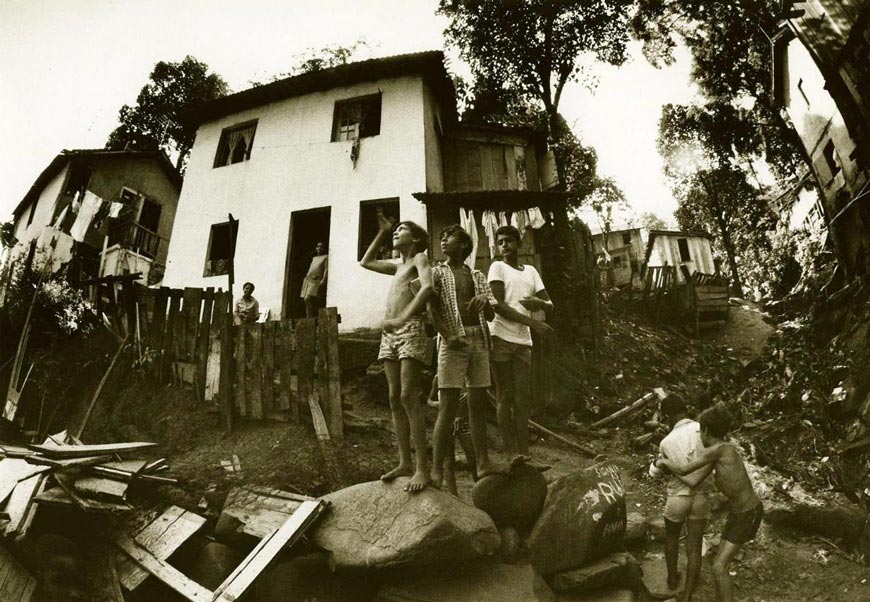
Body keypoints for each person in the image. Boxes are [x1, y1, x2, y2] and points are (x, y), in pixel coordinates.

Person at [429, 225, 509, 494]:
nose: (442, 241)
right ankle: (436, 470)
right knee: (448, 406)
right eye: (441, 238)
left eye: (447, 237)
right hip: (452, 341)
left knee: (477, 404)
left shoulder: (476, 275)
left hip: (479, 339)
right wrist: (447, 336)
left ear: (463, 245)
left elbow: (489, 316)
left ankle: (483, 463)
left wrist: (482, 301)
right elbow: (429, 309)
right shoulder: (437, 273)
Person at [360, 209, 434, 493]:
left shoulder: (419, 258)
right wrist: (381, 231)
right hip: (389, 334)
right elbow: (365, 261)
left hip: (410, 328)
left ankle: (422, 469)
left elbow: (427, 288)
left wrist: (403, 318)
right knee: (393, 397)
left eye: (400, 229)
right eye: (395, 230)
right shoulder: (397, 267)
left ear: (414, 238)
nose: (396, 233)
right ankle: (404, 462)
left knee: (408, 395)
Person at [656, 406, 764, 602]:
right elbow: (695, 480)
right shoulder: (721, 452)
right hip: (740, 513)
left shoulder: (718, 450)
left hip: (747, 514)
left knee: (719, 567)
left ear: (705, 430)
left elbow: (683, 469)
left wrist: (663, 462)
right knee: (719, 566)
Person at [487, 225, 554, 456]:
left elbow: (549, 303)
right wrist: (534, 323)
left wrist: (539, 304)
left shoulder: (531, 272)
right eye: (500, 242)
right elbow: (498, 306)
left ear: (519, 244)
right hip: (501, 336)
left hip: (523, 341)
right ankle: (510, 451)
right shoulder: (497, 267)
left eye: (509, 241)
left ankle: (524, 451)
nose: (504, 245)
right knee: (504, 395)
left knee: (522, 396)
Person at [650, 394, 715, 601]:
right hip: (702, 495)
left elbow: (657, 472)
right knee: (695, 545)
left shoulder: (666, 442)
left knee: (671, 537)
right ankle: (689, 588)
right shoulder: (703, 430)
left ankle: (671, 579)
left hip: (678, 496)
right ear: (685, 410)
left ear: (669, 415)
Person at [300, 242, 328, 318]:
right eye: (318, 247)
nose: (319, 248)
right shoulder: (314, 258)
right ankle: (309, 317)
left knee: (308, 298)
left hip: (316, 280)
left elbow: (326, 269)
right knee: (306, 299)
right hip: (308, 279)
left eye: (321, 247)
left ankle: (311, 317)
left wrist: (324, 279)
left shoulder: (325, 257)